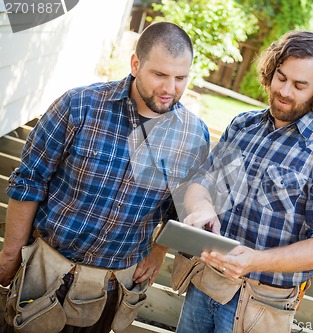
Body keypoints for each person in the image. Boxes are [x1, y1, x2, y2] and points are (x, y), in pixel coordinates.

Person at [0, 22, 209, 333]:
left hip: (110, 289)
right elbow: (29, 181)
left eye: (181, 78)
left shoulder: (193, 135)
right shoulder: (79, 105)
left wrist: (158, 251)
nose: (170, 89)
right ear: (136, 64)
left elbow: (176, 210)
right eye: (160, 75)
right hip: (46, 274)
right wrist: (10, 253)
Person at [175, 30, 313, 333]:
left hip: (262, 303)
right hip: (207, 282)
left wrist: (256, 261)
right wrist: (202, 208)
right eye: (281, 77)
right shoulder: (243, 126)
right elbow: (202, 183)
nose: (285, 91)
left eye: (300, 85)